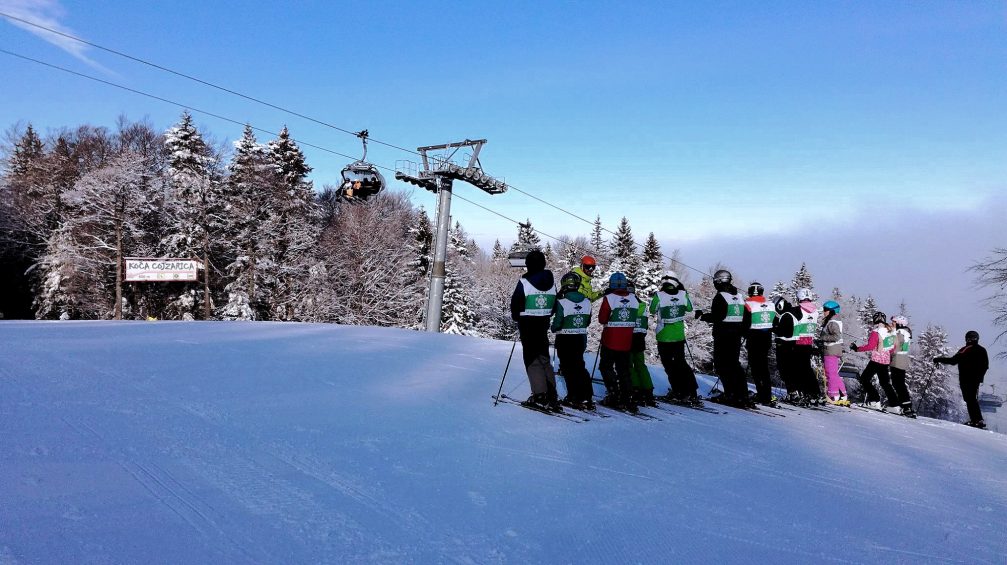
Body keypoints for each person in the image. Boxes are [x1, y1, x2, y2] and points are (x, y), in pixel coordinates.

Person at [509, 249, 561, 411]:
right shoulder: (552, 283)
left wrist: (518, 316)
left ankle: (540, 395)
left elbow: (516, 304)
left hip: (528, 324)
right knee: (544, 358)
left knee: (532, 360)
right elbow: (554, 306)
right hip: (543, 323)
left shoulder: (525, 282)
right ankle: (551, 394)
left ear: (529, 265)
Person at [697, 269, 751, 407]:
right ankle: (742, 394)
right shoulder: (739, 297)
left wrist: (703, 316)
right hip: (736, 335)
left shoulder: (720, 297)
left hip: (723, 335)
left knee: (723, 365)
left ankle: (730, 394)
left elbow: (718, 316)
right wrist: (743, 332)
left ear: (719, 281)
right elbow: (746, 317)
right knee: (734, 365)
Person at [650, 271, 701, 405]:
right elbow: (689, 308)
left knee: (669, 366)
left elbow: (651, 309)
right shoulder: (683, 294)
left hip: (664, 336)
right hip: (679, 336)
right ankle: (691, 390)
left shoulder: (659, 295)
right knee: (681, 364)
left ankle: (678, 391)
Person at [552, 272, 594, 410]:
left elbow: (557, 323)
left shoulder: (562, 302)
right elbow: (587, 321)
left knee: (568, 368)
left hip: (565, 339)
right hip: (581, 338)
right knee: (579, 366)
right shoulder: (587, 302)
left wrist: (554, 327)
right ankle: (587, 396)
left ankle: (573, 397)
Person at [597, 272, 639, 412]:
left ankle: (614, 394)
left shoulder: (609, 298)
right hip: (627, 340)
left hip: (610, 339)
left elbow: (602, 319)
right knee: (624, 369)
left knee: (606, 366)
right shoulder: (634, 298)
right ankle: (628, 397)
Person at [934, 331, 990, 429]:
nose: (968, 340)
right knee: (972, 399)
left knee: (970, 399)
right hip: (975, 379)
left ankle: (976, 420)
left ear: (968, 339)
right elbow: (985, 366)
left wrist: (938, 359)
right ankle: (977, 420)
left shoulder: (965, 349)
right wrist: (980, 377)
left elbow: (953, 361)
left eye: (968, 338)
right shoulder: (982, 350)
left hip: (966, 378)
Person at [849, 312, 898, 411]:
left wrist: (857, 349)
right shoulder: (891, 331)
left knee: (864, 379)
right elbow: (893, 347)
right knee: (885, 383)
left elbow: (870, 346)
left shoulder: (876, 332)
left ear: (875, 320)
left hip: (876, 360)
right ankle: (895, 405)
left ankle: (874, 400)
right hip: (885, 360)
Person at [743, 281, 776, 406]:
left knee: (756, 368)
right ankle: (766, 394)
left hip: (753, 339)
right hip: (766, 339)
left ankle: (761, 394)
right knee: (764, 368)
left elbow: (745, 324)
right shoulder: (771, 305)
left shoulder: (748, 304)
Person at [793, 288, 825, 406]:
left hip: (798, 341)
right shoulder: (815, 311)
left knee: (799, 369)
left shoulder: (799, 309)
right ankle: (814, 392)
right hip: (808, 342)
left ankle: (804, 392)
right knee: (807, 369)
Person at [628, 282, 657, 407]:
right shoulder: (642, 304)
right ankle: (647, 390)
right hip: (640, 338)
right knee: (640, 364)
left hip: (629, 337)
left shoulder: (627, 303)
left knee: (629, 364)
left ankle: (635, 389)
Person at [820, 300, 848, 405]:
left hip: (831, 350)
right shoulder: (835, 321)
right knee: (834, 374)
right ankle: (843, 395)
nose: (824, 312)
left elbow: (836, 336)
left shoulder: (832, 322)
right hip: (834, 350)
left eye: (825, 310)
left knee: (830, 374)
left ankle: (833, 395)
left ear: (832, 311)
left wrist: (822, 338)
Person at [773, 297, 801, 403]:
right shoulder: (792, 313)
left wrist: (774, 328)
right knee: (790, 370)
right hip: (793, 345)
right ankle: (794, 392)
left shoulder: (787, 315)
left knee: (786, 371)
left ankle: (792, 392)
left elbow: (786, 332)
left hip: (785, 345)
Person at [889, 315, 916, 417]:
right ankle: (905, 405)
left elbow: (892, 345)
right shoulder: (906, 332)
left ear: (899, 323)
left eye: (894, 322)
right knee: (899, 383)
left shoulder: (900, 333)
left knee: (898, 384)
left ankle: (905, 406)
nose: (892, 324)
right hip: (902, 359)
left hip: (897, 360)